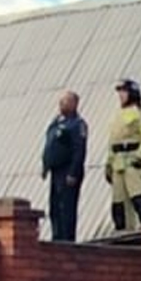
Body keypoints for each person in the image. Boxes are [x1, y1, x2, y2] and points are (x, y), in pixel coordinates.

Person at [104, 78, 141, 231]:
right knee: (118, 203)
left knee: (140, 198)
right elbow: (112, 142)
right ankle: (123, 233)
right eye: (119, 92)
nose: (120, 95)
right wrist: (109, 165)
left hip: (134, 162)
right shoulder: (118, 115)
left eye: (123, 92)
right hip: (118, 164)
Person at [41, 89, 87, 242]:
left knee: (66, 207)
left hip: (67, 171)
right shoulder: (56, 122)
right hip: (56, 170)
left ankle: (67, 239)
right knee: (54, 206)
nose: (61, 104)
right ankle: (57, 236)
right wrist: (45, 165)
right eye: (61, 101)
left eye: (65, 101)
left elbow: (79, 150)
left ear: (74, 104)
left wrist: (73, 173)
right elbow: (50, 144)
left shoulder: (77, 124)